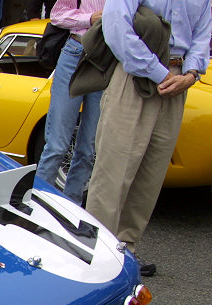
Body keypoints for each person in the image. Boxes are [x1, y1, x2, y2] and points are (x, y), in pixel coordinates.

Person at [85, 0, 211, 276]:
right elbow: (117, 28)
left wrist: (191, 74)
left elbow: (203, 33)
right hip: (134, 75)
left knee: (150, 174)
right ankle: (95, 252)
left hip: (178, 79)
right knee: (114, 170)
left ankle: (125, 249)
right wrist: (160, 72)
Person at [33, 0, 104, 205]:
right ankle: (36, 205)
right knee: (57, 144)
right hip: (76, 49)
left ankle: (72, 207)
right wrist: (89, 18)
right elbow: (57, 14)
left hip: (105, 58)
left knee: (88, 148)